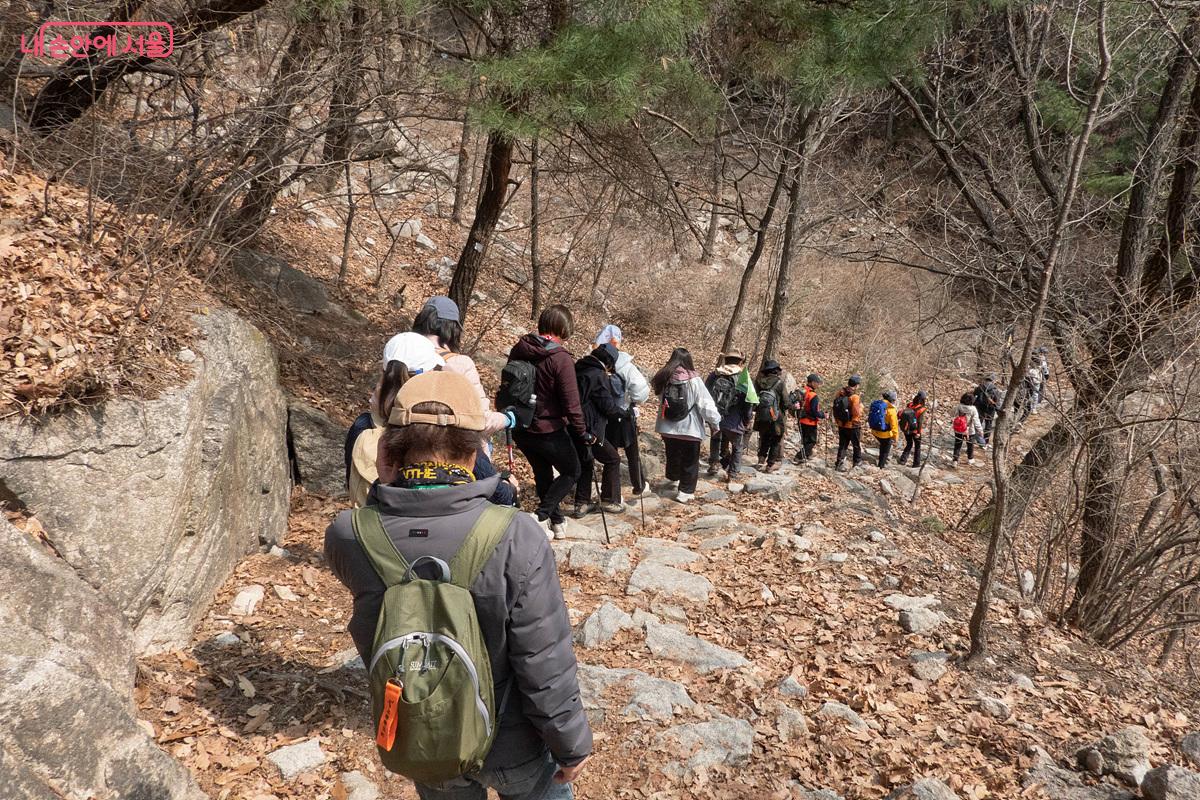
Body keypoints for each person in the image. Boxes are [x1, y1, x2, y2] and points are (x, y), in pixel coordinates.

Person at [325, 371, 592, 800]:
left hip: (428, 739)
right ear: (475, 451)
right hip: (514, 747)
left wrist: (383, 484)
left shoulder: (350, 535)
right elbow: (543, 657)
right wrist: (570, 743)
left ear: (389, 447)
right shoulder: (515, 535)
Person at [346, 336, 517, 508]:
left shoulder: (361, 426)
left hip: (370, 520)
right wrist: (510, 489)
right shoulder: (448, 432)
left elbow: (353, 485)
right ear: (429, 377)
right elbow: (500, 496)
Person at [507, 305, 591, 538]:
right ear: (563, 329)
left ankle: (557, 522)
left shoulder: (520, 349)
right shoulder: (560, 358)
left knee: (543, 474)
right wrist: (582, 432)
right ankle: (541, 516)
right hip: (548, 428)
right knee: (572, 470)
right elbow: (571, 403)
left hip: (521, 426)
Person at [409, 296, 512, 435]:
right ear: (452, 329)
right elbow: (482, 420)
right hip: (446, 444)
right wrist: (506, 419)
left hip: (401, 441)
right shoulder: (460, 364)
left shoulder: (399, 357)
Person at [652, 347, 721, 504]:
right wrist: (715, 422)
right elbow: (706, 405)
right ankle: (685, 492)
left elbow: (660, 399)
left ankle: (673, 479)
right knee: (690, 461)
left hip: (667, 427)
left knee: (673, 454)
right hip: (690, 428)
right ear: (688, 361)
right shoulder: (694, 380)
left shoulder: (663, 377)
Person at [572, 343, 624, 516]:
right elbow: (607, 406)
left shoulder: (577, 368)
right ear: (608, 362)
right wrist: (625, 414)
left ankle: (581, 503)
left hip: (572, 424)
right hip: (591, 427)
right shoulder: (598, 375)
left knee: (586, 461)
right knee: (613, 459)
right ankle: (609, 500)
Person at [706, 350, 753, 480]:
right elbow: (748, 400)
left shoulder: (715, 374)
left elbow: (706, 393)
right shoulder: (743, 377)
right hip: (734, 417)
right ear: (740, 361)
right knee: (737, 446)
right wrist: (747, 418)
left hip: (716, 415)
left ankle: (714, 463)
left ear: (726, 360)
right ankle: (732, 473)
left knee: (715, 439)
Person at [753, 359, 790, 472]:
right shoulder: (779, 383)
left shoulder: (758, 382)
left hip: (761, 416)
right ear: (776, 371)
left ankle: (760, 461)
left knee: (764, 438)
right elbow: (786, 403)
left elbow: (754, 399)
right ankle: (770, 465)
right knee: (776, 440)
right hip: (776, 417)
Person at [832, 375, 864, 471]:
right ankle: (857, 462)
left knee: (842, 445)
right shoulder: (855, 397)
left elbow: (835, 407)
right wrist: (861, 408)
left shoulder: (840, 392)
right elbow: (856, 412)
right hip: (853, 425)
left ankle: (839, 462)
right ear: (856, 385)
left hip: (841, 424)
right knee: (856, 445)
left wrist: (837, 420)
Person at [793, 373, 825, 463]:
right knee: (811, 441)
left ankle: (807, 454)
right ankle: (799, 457)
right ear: (812, 382)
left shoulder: (802, 391)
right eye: (817, 383)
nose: (818, 385)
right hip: (810, 422)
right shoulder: (813, 395)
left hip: (801, 419)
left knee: (805, 440)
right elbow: (815, 411)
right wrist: (823, 415)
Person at [951, 391, 984, 467]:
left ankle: (955, 460)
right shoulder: (973, 409)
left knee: (957, 445)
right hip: (969, 431)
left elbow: (952, 413)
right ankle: (970, 459)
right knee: (970, 445)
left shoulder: (958, 406)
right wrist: (980, 430)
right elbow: (976, 421)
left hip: (958, 429)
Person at [869, 390, 899, 468]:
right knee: (885, 451)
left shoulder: (878, 404)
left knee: (882, 445)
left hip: (875, 431)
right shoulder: (891, 410)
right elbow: (894, 426)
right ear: (893, 400)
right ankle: (881, 467)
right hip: (885, 434)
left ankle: (880, 463)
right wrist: (895, 438)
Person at [898, 390, 928, 468]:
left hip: (906, 428)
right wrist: (918, 432)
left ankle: (903, 460)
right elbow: (919, 422)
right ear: (924, 399)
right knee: (917, 447)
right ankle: (916, 464)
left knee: (909, 444)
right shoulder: (922, 409)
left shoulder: (910, 404)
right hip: (915, 430)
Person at [973, 374, 1002, 443]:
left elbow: (974, 396)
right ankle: (986, 441)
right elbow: (997, 402)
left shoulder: (979, 387)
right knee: (988, 425)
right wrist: (998, 410)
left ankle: (978, 440)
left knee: (978, 424)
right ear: (993, 381)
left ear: (986, 379)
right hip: (990, 409)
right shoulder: (995, 390)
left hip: (979, 408)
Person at [1031, 347, 1050, 414]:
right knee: (1036, 393)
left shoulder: (1028, 357)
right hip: (1036, 377)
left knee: (1030, 392)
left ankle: (1028, 406)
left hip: (1027, 376)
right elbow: (1045, 370)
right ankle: (1033, 408)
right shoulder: (1042, 359)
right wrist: (1047, 375)